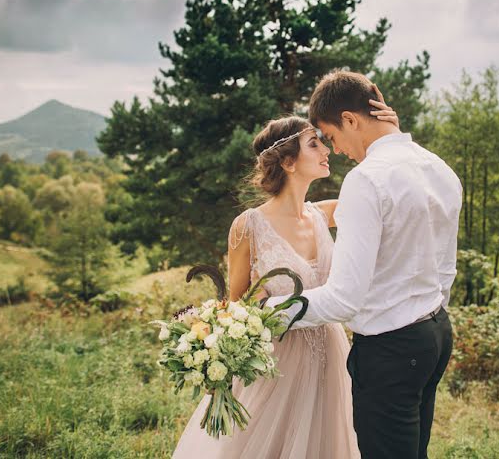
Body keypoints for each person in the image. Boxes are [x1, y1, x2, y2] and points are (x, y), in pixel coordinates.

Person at [171, 98, 399, 459]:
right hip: (277, 364)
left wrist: (389, 133)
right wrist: (219, 363)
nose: (327, 149)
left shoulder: (325, 214)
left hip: (332, 353)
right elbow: (236, 305)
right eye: (315, 144)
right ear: (289, 162)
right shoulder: (248, 226)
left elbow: (388, 189)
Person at [270, 71, 463, 459]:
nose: (336, 150)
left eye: (334, 136)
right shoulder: (439, 167)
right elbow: (446, 269)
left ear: (351, 119)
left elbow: (344, 299)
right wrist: (425, 313)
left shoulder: (367, 180)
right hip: (437, 334)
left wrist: (269, 312)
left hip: (391, 350)